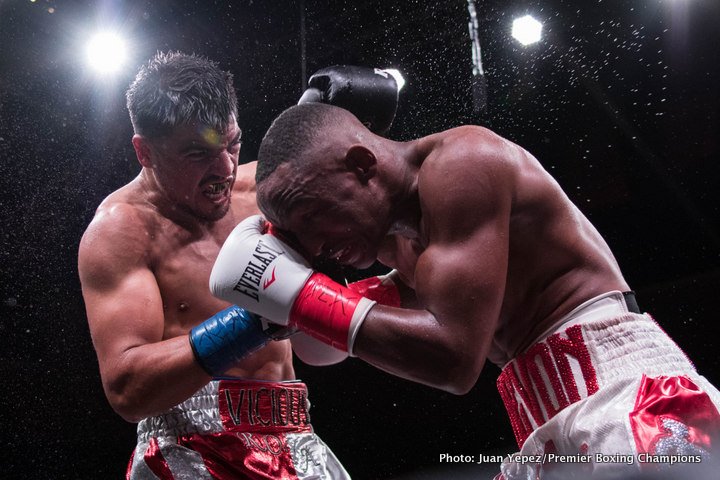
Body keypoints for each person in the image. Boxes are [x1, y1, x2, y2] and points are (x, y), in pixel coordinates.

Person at [209, 102, 720, 479]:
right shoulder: (412, 253)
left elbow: (454, 361)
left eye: (315, 216)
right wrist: (289, 290)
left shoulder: (463, 164)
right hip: (554, 424)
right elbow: (317, 348)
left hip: (627, 403)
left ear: (362, 165)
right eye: (304, 236)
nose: (317, 245)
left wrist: (300, 294)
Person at [78, 53, 398, 479]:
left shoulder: (265, 190)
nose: (226, 169)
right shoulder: (122, 231)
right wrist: (254, 323)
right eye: (198, 153)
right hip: (188, 447)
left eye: (232, 143)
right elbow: (127, 389)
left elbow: (315, 348)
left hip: (294, 432)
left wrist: (390, 287)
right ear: (145, 152)